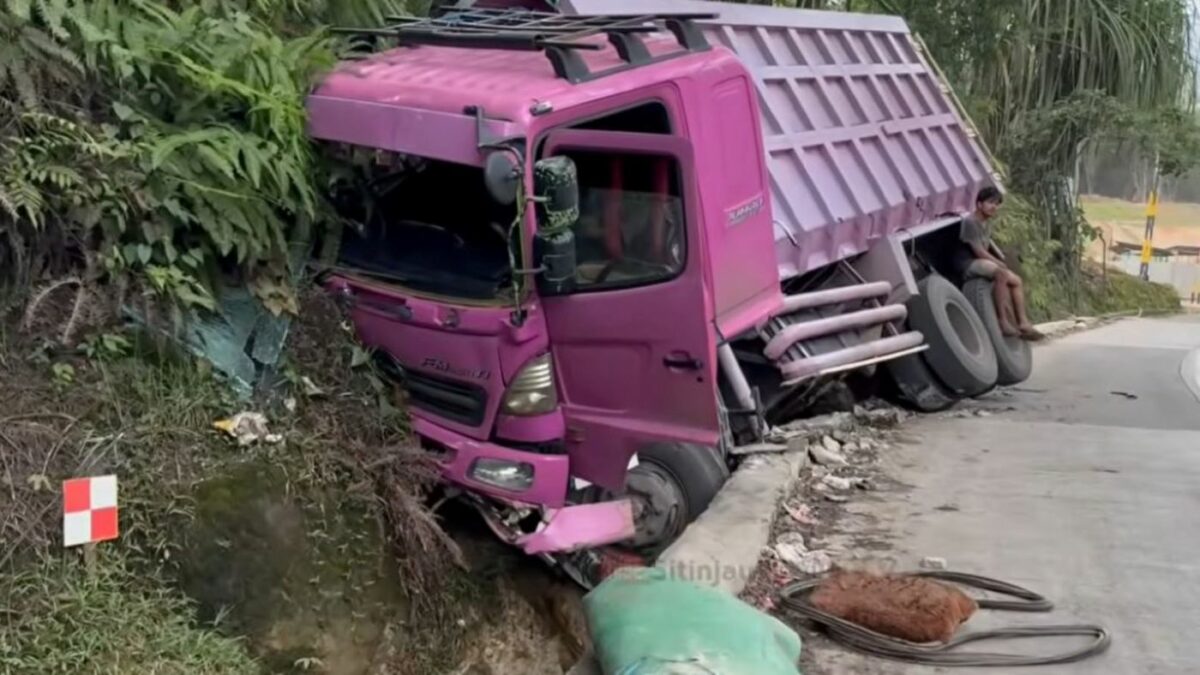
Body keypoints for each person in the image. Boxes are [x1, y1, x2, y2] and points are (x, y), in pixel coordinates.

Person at [955, 187, 1043, 341]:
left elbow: (987, 249)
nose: (994, 207)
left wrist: (1001, 262)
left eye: (996, 203)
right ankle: (1002, 321)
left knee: (1017, 281)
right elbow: (979, 252)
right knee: (1001, 273)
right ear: (979, 204)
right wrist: (999, 263)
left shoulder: (987, 223)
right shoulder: (970, 222)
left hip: (980, 262)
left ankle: (1023, 322)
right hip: (967, 263)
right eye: (990, 202)